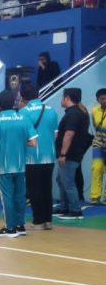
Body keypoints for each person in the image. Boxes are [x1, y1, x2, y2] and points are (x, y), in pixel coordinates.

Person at [0, 89, 38, 238]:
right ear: (15, 102)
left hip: (2, 165)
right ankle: (20, 226)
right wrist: (19, 143)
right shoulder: (23, 119)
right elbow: (33, 143)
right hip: (20, 165)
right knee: (20, 196)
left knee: (7, 197)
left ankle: (10, 228)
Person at [19, 85, 60, 229]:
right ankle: (48, 220)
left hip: (31, 156)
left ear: (22, 97)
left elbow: (21, 135)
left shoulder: (23, 112)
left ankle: (38, 221)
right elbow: (55, 134)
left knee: (34, 188)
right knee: (47, 187)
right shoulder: (51, 110)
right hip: (49, 155)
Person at [54, 88, 92, 220]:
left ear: (67, 98)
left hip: (69, 155)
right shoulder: (78, 112)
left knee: (68, 182)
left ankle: (75, 210)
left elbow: (69, 134)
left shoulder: (73, 114)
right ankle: (64, 207)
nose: (61, 100)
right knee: (61, 180)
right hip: (72, 154)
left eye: (62, 97)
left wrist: (63, 154)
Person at [91, 87, 106, 204]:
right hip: (99, 145)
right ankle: (95, 197)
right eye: (102, 99)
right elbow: (96, 127)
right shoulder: (94, 111)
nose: (105, 101)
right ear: (98, 100)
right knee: (97, 169)